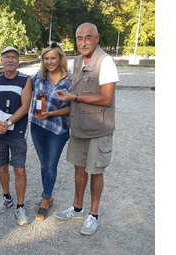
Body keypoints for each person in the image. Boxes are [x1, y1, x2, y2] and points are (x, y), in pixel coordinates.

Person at [56, 22, 119, 235]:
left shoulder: (106, 61)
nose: (83, 42)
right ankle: (77, 208)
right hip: (79, 128)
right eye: (79, 38)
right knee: (79, 168)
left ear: (97, 38)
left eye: (88, 38)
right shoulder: (76, 61)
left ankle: (93, 215)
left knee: (96, 171)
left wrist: (75, 97)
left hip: (99, 129)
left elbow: (106, 98)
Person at [0, 46, 32, 226]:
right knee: (1, 168)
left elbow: (25, 106)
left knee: (19, 170)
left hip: (17, 131)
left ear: (18, 60)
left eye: (14, 57)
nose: (10, 60)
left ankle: (20, 206)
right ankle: (7, 198)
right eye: (7, 57)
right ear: (1, 60)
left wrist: (8, 123)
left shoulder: (25, 80)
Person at [29, 43, 72, 221]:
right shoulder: (37, 78)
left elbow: (70, 108)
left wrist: (51, 113)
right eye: (46, 58)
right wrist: (1, 74)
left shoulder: (69, 80)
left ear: (60, 58)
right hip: (37, 127)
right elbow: (19, 83)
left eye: (53, 58)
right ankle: (48, 195)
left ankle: (45, 201)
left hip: (58, 129)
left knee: (50, 165)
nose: (49, 62)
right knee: (43, 164)